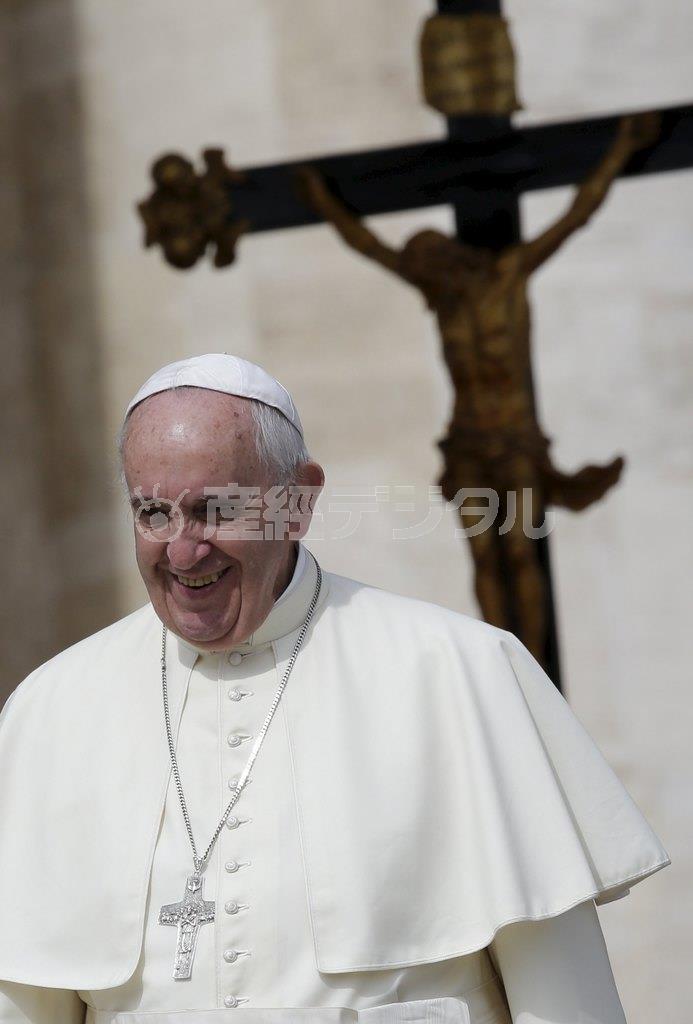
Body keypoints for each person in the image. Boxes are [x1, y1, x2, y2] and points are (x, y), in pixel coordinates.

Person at [0, 353, 670, 1024]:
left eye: (214, 510)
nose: (181, 552)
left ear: (298, 502)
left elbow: (567, 1008)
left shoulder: (459, 673)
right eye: (152, 512)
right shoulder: (52, 709)